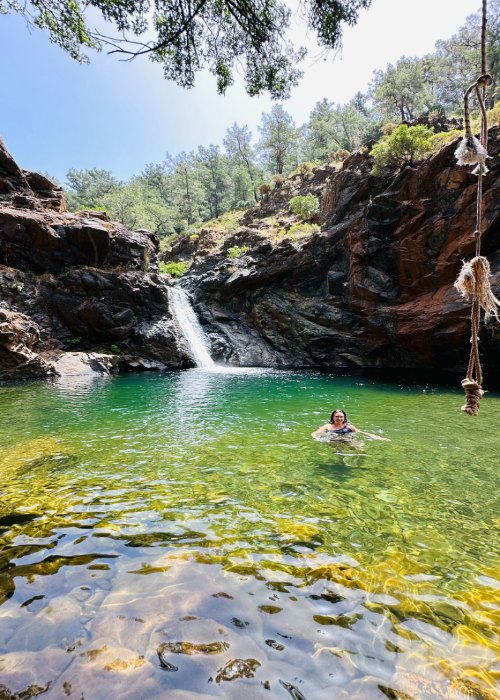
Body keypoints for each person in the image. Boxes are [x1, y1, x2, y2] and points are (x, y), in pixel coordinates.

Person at [311, 409, 390, 442]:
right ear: (333, 417)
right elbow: (315, 433)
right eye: (337, 416)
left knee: (359, 449)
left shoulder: (349, 426)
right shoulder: (327, 427)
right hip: (335, 441)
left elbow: (362, 433)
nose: (339, 418)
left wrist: (379, 438)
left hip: (348, 439)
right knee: (339, 451)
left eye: (341, 416)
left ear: (344, 417)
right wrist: (316, 438)